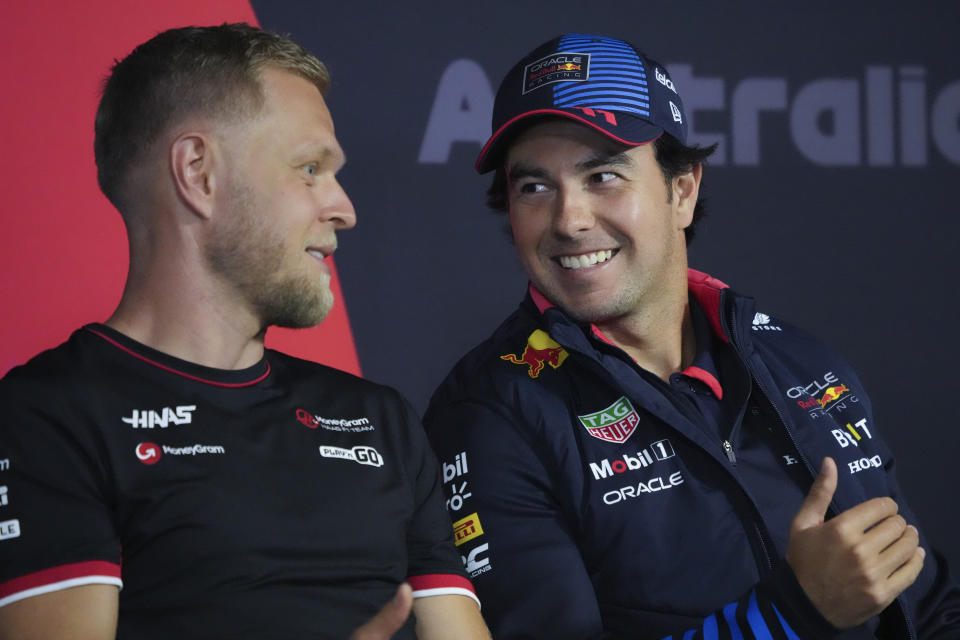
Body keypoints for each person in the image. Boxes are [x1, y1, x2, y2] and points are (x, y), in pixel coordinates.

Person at [424, 33, 960, 638]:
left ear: (682, 191)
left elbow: (927, 603)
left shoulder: (798, 362)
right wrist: (790, 613)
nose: (569, 220)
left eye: (602, 176)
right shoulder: (491, 412)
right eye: (534, 187)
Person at [0, 23, 489, 640]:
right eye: (309, 168)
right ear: (199, 173)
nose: (344, 208)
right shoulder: (46, 416)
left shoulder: (381, 419)